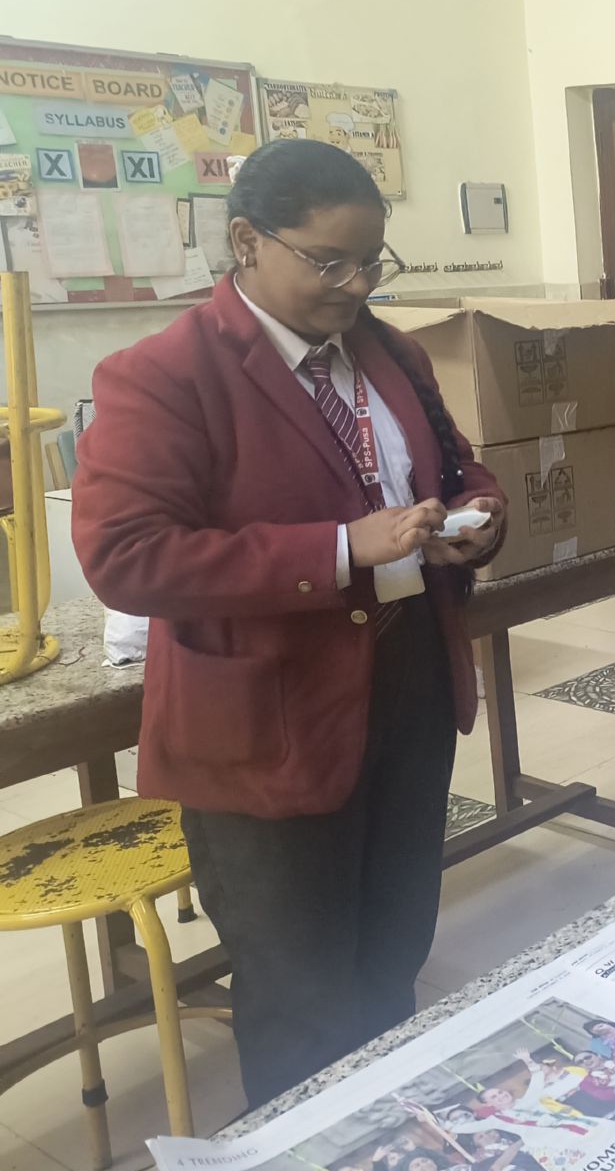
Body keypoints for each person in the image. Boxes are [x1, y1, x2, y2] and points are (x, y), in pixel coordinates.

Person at [70, 139, 505, 1107]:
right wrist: (342, 549)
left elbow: (454, 463)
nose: (357, 286)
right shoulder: (165, 375)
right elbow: (128, 556)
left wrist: (478, 515)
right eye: (329, 262)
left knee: (392, 952)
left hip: (405, 691)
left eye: (372, 262)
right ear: (246, 243)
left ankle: (391, 1138)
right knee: (303, 995)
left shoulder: (388, 352)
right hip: (267, 725)